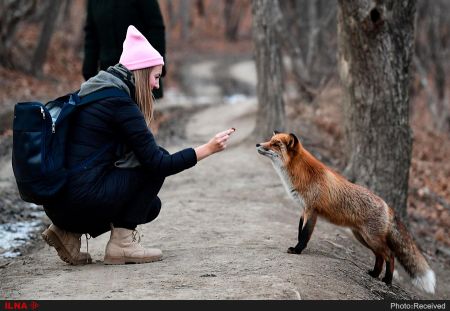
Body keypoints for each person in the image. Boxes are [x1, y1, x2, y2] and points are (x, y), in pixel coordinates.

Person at [41, 25, 235, 265]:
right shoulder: (119, 103)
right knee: (154, 164)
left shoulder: (95, 89)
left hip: (59, 202)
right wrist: (208, 148)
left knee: (150, 206)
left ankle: (67, 232)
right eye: (155, 77)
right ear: (141, 73)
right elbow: (158, 163)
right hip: (80, 199)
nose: (156, 85)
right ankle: (122, 246)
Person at [82, 0, 166, 99]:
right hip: (109, 76)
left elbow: (156, 28)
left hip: (142, 76)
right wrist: (89, 71)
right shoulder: (94, 2)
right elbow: (91, 36)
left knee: (140, 113)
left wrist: (157, 66)